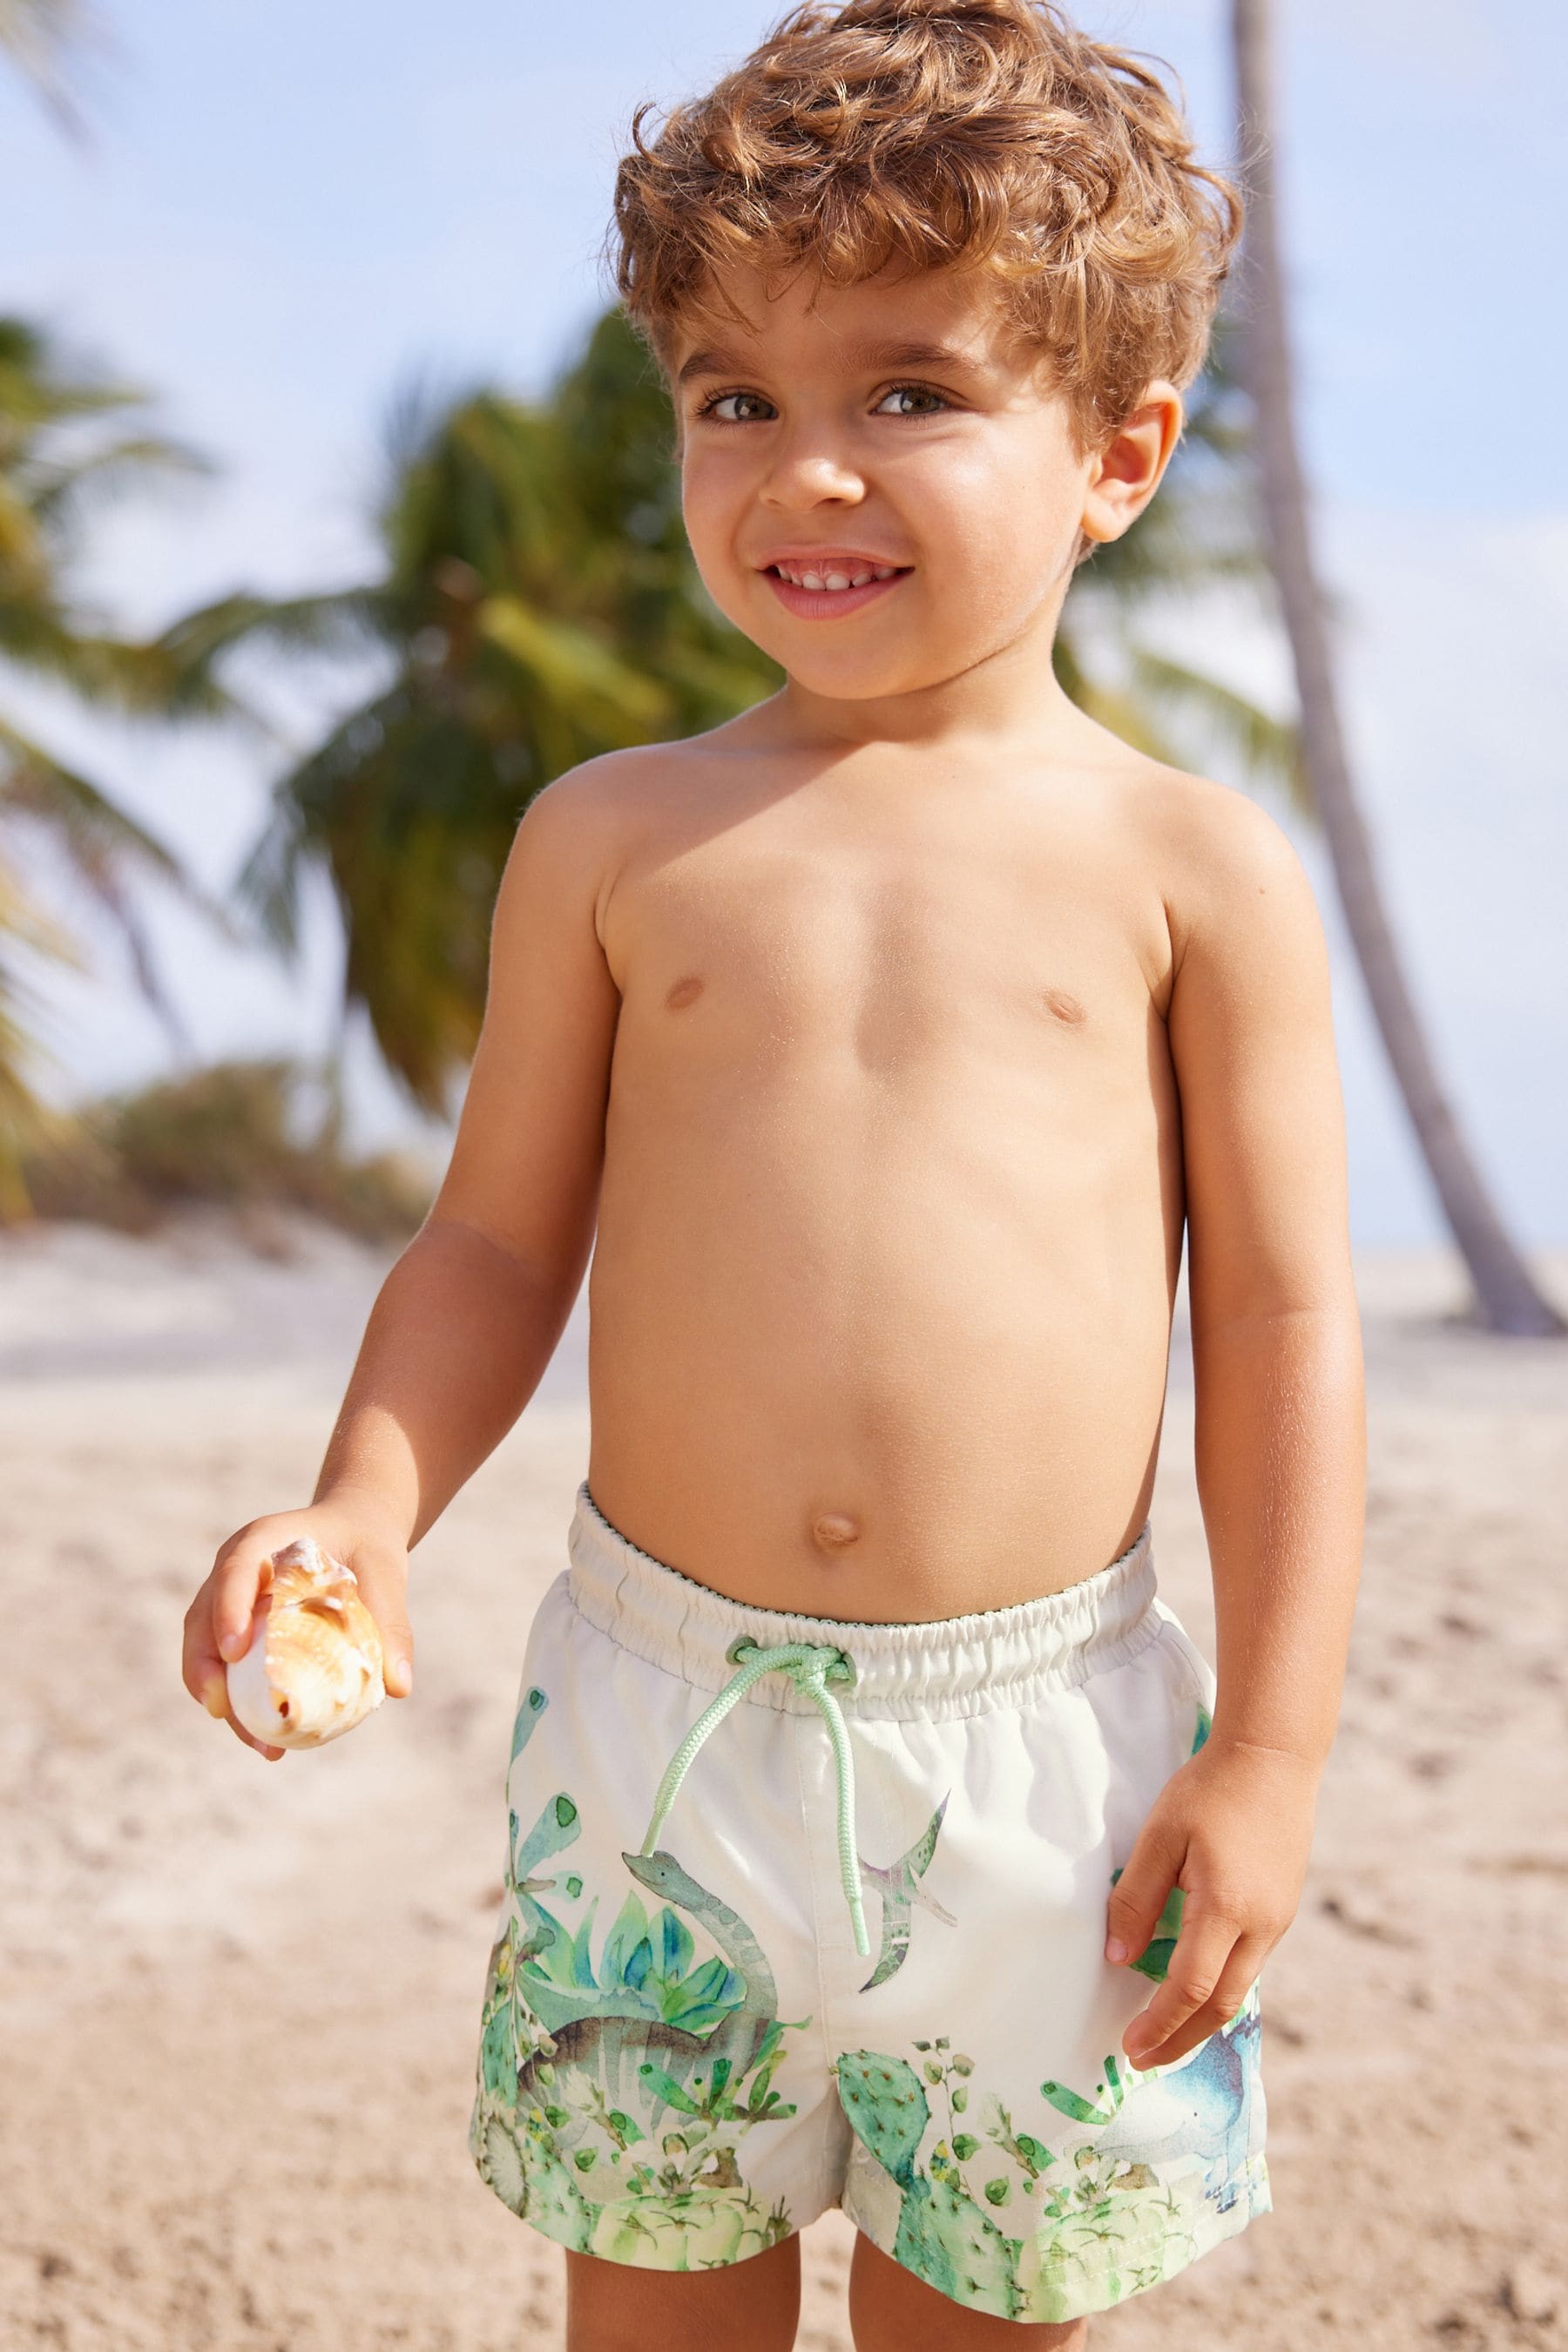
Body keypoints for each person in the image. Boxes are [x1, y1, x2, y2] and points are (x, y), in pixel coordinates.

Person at [181, 1, 1365, 2342]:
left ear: (1119, 451)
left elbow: (1283, 1322)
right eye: (740, 399)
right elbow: (499, 1237)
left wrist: (1275, 1746)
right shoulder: (618, 839)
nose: (805, 471)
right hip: (662, 1733)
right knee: (655, 2301)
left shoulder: (1189, 864)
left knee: (983, 2310)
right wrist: (360, 1506)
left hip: (1039, 1750)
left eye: (908, 392)